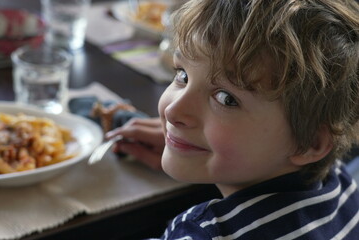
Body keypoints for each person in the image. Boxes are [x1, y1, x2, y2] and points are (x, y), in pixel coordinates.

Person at [106, 0, 359, 239]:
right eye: (182, 75)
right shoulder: (340, 185)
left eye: (226, 99)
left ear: (309, 143)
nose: (173, 111)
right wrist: (195, 148)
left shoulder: (205, 233)